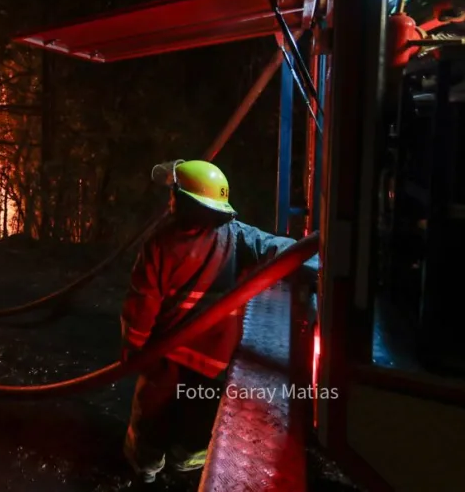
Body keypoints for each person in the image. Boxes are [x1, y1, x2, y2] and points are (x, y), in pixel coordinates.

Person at [121, 159, 318, 483]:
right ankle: (187, 469)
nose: (170, 198)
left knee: (152, 414)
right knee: (199, 416)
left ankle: (145, 467)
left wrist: (133, 350)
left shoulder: (159, 244)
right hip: (212, 360)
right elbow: (279, 250)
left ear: (184, 202)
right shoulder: (237, 236)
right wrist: (322, 261)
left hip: (163, 358)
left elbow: (141, 304)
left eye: (174, 192)